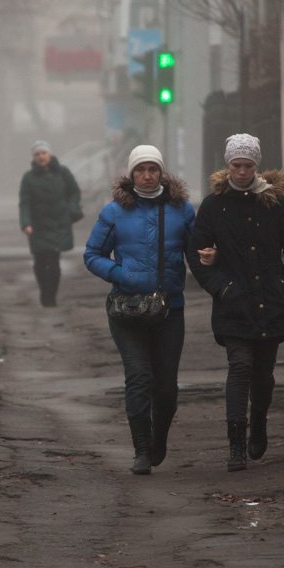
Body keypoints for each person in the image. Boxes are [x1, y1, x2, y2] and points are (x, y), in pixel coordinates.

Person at [187, 133, 284, 472]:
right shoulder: (213, 206)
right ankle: (236, 445)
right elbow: (196, 255)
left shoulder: (274, 202)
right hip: (234, 304)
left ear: (257, 166)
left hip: (271, 302)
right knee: (240, 367)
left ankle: (259, 421)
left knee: (263, 375)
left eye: (248, 166)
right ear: (228, 166)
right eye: (236, 165)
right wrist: (220, 287)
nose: (241, 172)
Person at [84, 145, 195, 475]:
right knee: (138, 378)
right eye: (140, 170)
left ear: (162, 173)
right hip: (127, 311)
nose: (147, 175)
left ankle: (159, 437)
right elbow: (92, 255)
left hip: (169, 309)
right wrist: (122, 275)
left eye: (153, 169)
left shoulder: (182, 210)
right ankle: (142, 450)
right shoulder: (114, 212)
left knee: (166, 385)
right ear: (131, 175)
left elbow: (198, 251)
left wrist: (213, 267)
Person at [19, 141, 82, 307]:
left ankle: (50, 297)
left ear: (50, 154)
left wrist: (71, 208)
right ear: (34, 157)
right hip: (38, 226)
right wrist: (26, 223)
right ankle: (44, 292)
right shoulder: (28, 178)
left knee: (54, 261)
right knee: (40, 262)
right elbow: (24, 202)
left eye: (43, 153)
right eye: (37, 154)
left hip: (59, 223)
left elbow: (74, 192)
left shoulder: (63, 172)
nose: (41, 157)